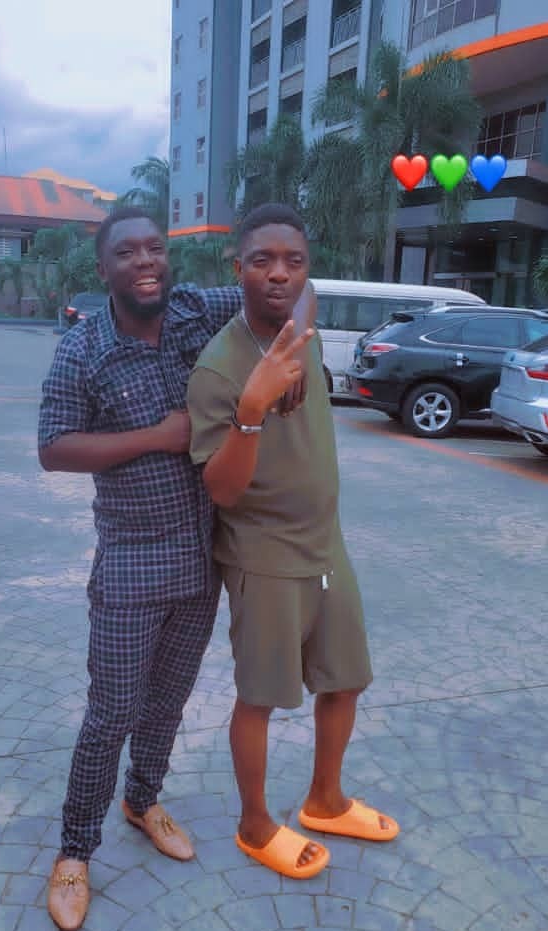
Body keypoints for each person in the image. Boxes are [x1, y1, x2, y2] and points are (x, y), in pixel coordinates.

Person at [37, 206, 313, 930]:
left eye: (154, 249)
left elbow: (292, 287)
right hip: (131, 561)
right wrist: (155, 437)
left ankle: (143, 800)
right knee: (111, 714)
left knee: (167, 704)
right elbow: (53, 447)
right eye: (127, 253)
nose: (145, 263)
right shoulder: (83, 350)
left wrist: (291, 356)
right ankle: (74, 851)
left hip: (202, 557)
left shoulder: (193, 310)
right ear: (104, 269)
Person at [187, 203, 399, 879]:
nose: (279, 274)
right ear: (237, 269)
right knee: (261, 697)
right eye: (262, 261)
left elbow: (303, 300)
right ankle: (254, 825)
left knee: (346, 680)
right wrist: (251, 409)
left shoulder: (301, 328)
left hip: (325, 544)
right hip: (264, 556)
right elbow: (222, 491)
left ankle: (325, 801)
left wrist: (299, 344)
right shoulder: (218, 370)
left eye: (293, 262)